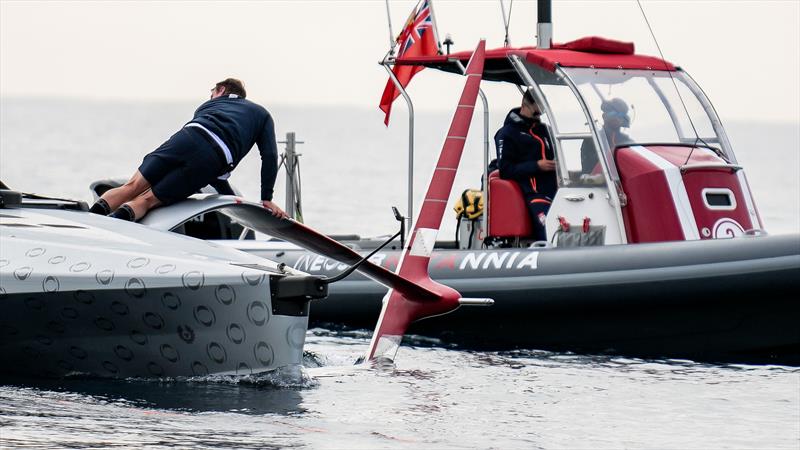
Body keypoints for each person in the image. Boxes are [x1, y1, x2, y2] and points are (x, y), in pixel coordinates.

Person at [89, 78, 287, 222]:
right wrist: (265, 199)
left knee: (131, 187)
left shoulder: (207, 106)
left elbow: (201, 146)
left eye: (212, 94)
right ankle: (116, 223)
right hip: (215, 159)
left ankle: (90, 221)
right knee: (148, 200)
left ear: (221, 89)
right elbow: (269, 155)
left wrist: (235, 199)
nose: (210, 98)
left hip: (187, 137)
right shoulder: (262, 114)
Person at [494, 89, 557, 242]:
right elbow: (506, 170)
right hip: (533, 193)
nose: (538, 118)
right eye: (536, 114)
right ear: (525, 105)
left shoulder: (544, 130)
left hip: (556, 192)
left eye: (541, 114)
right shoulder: (506, 134)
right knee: (549, 229)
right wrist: (537, 166)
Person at [580, 97, 633, 174]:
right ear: (604, 116)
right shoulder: (592, 140)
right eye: (614, 114)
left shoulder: (627, 141)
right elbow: (588, 171)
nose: (618, 118)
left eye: (621, 115)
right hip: (603, 184)